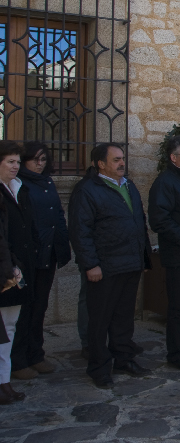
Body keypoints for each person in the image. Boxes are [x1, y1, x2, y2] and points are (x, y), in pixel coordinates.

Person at [68, 143, 152, 387]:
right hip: (105, 266)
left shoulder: (129, 186)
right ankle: (99, 366)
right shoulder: (87, 190)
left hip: (130, 263)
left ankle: (123, 358)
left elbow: (139, 223)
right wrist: (90, 265)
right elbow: (80, 231)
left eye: (122, 159)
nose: (122, 163)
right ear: (100, 164)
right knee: (100, 319)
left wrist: (143, 257)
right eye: (116, 160)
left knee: (123, 317)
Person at [10, 142, 71, 379]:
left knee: (39, 307)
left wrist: (62, 244)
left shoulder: (46, 183)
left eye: (43, 159)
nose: (39, 164)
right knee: (24, 309)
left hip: (48, 253)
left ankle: (36, 354)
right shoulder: (18, 184)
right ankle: (19, 360)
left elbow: (57, 215)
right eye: (35, 159)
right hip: (29, 256)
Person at [147, 136, 180, 370]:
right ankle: (177, 354)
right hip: (178, 255)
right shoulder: (165, 182)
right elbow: (160, 220)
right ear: (173, 157)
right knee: (179, 308)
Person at [0, 141, 30, 404]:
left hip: (15, 270)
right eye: (10, 161)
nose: (15, 166)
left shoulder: (16, 189)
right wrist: (8, 268)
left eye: (18, 162)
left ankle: (4, 381)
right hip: (4, 271)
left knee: (9, 327)